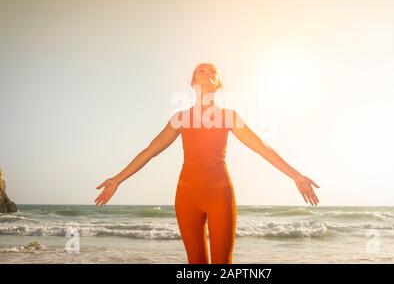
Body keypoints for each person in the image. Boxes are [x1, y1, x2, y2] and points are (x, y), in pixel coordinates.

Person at [95, 62, 320, 264]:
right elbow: (149, 151)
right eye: (201, 70)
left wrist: (296, 176)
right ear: (192, 82)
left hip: (219, 195)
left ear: (218, 84)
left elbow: (261, 148)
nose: (207, 72)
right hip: (186, 196)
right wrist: (117, 179)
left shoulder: (228, 116)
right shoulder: (180, 118)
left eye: (212, 71)